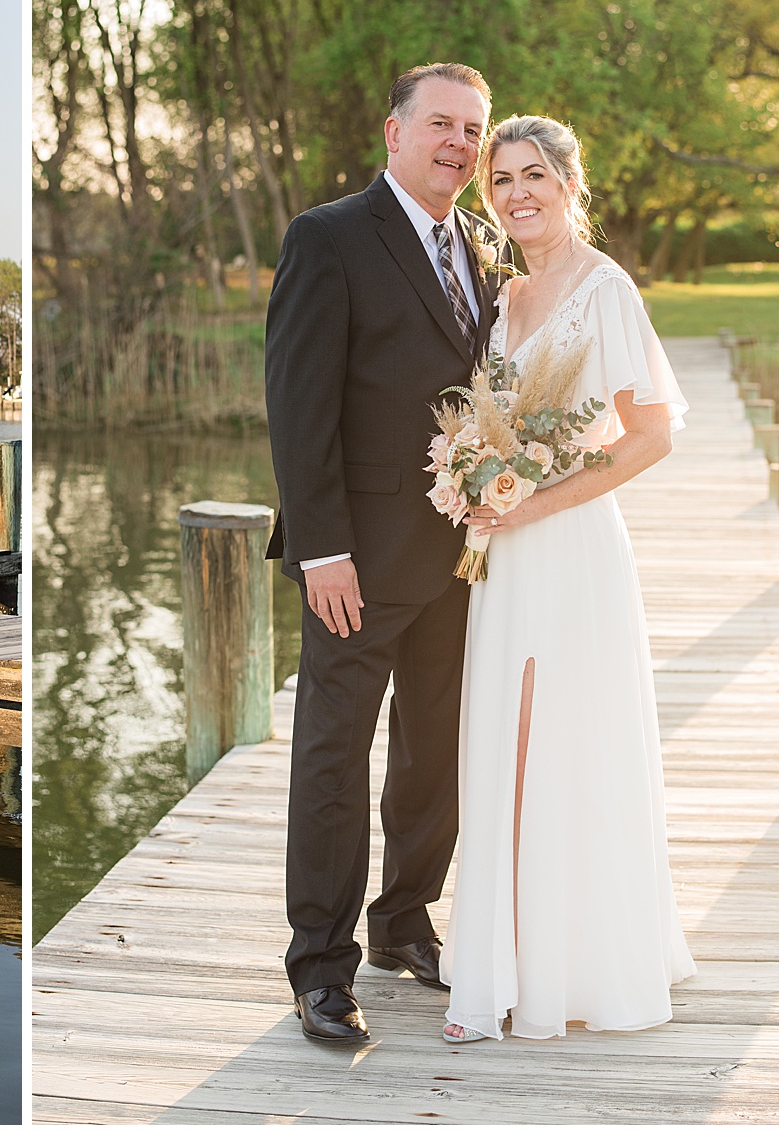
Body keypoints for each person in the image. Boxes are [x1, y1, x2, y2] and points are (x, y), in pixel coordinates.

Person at [265, 63, 507, 1043]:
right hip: (355, 562)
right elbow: (298, 402)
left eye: (472, 129)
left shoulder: (484, 246)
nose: (458, 141)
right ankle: (322, 964)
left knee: (434, 749)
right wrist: (321, 547)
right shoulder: (328, 237)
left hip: (462, 558)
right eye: (441, 123)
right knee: (333, 754)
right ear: (395, 130)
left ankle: (405, 920)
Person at [440, 115, 695, 1042]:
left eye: (534, 175)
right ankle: (499, 963)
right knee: (503, 747)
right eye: (501, 180)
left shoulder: (605, 291)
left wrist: (538, 502)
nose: (517, 194)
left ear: (571, 181)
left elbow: (652, 434)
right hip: (504, 556)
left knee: (562, 747)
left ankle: (565, 968)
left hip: (571, 546)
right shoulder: (505, 297)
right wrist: (474, 476)